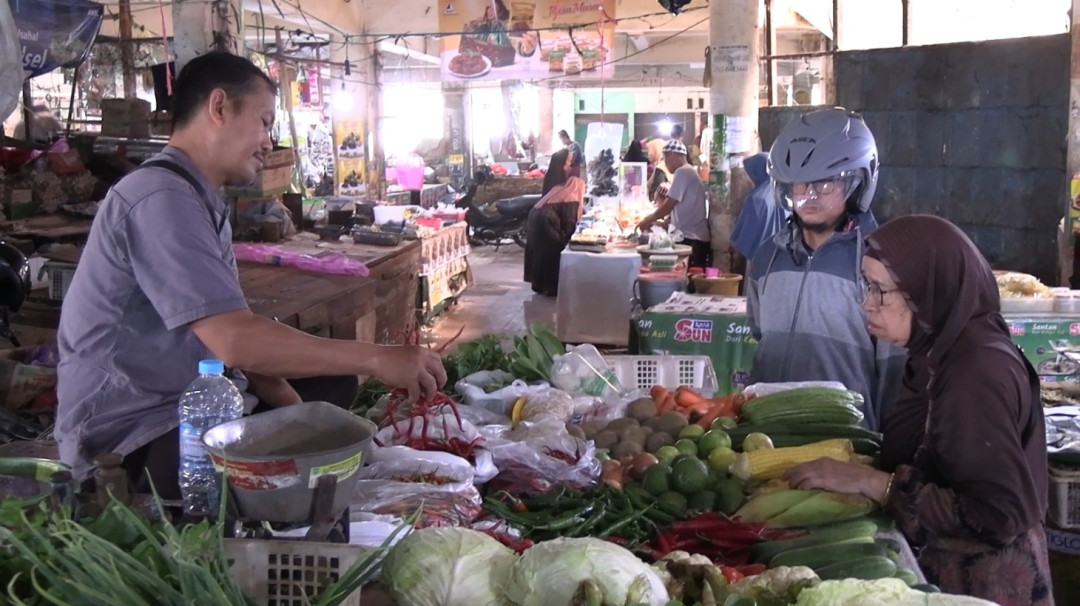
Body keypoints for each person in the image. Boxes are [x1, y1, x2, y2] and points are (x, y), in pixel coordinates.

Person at [56, 52, 446, 498]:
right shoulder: (160, 198)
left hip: (196, 399)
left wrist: (304, 417)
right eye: (263, 122)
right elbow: (235, 340)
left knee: (330, 389)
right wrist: (377, 358)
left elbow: (235, 341)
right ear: (219, 107)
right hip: (134, 436)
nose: (268, 142)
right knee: (296, 456)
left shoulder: (196, 197)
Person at [784, 215, 1053, 606]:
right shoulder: (936, 351)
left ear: (929, 289)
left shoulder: (974, 370)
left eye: (880, 290)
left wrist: (874, 483)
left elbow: (997, 514)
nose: (867, 303)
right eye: (866, 286)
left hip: (983, 589)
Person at [747, 107, 902, 430]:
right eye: (800, 185)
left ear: (859, 184)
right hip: (769, 438)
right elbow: (760, 333)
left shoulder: (879, 265)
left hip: (849, 442)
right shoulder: (766, 258)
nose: (810, 196)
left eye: (826, 184)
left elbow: (895, 372)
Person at [636, 140, 711, 269]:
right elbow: (681, 211)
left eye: (665, 159)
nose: (665, 164)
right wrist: (659, 224)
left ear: (673, 155)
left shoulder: (683, 172)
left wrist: (647, 220)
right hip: (693, 238)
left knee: (686, 277)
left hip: (692, 239)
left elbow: (669, 205)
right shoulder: (688, 171)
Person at [523, 149, 585, 297]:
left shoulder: (560, 188)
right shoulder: (571, 194)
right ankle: (553, 286)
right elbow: (570, 221)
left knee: (543, 252)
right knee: (554, 250)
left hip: (536, 216)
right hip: (545, 220)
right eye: (567, 161)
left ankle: (541, 284)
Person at [731, 152, 788, 263]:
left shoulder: (757, 198)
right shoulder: (784, 192)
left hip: (759, 255)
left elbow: (747, 232)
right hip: (782, 253)